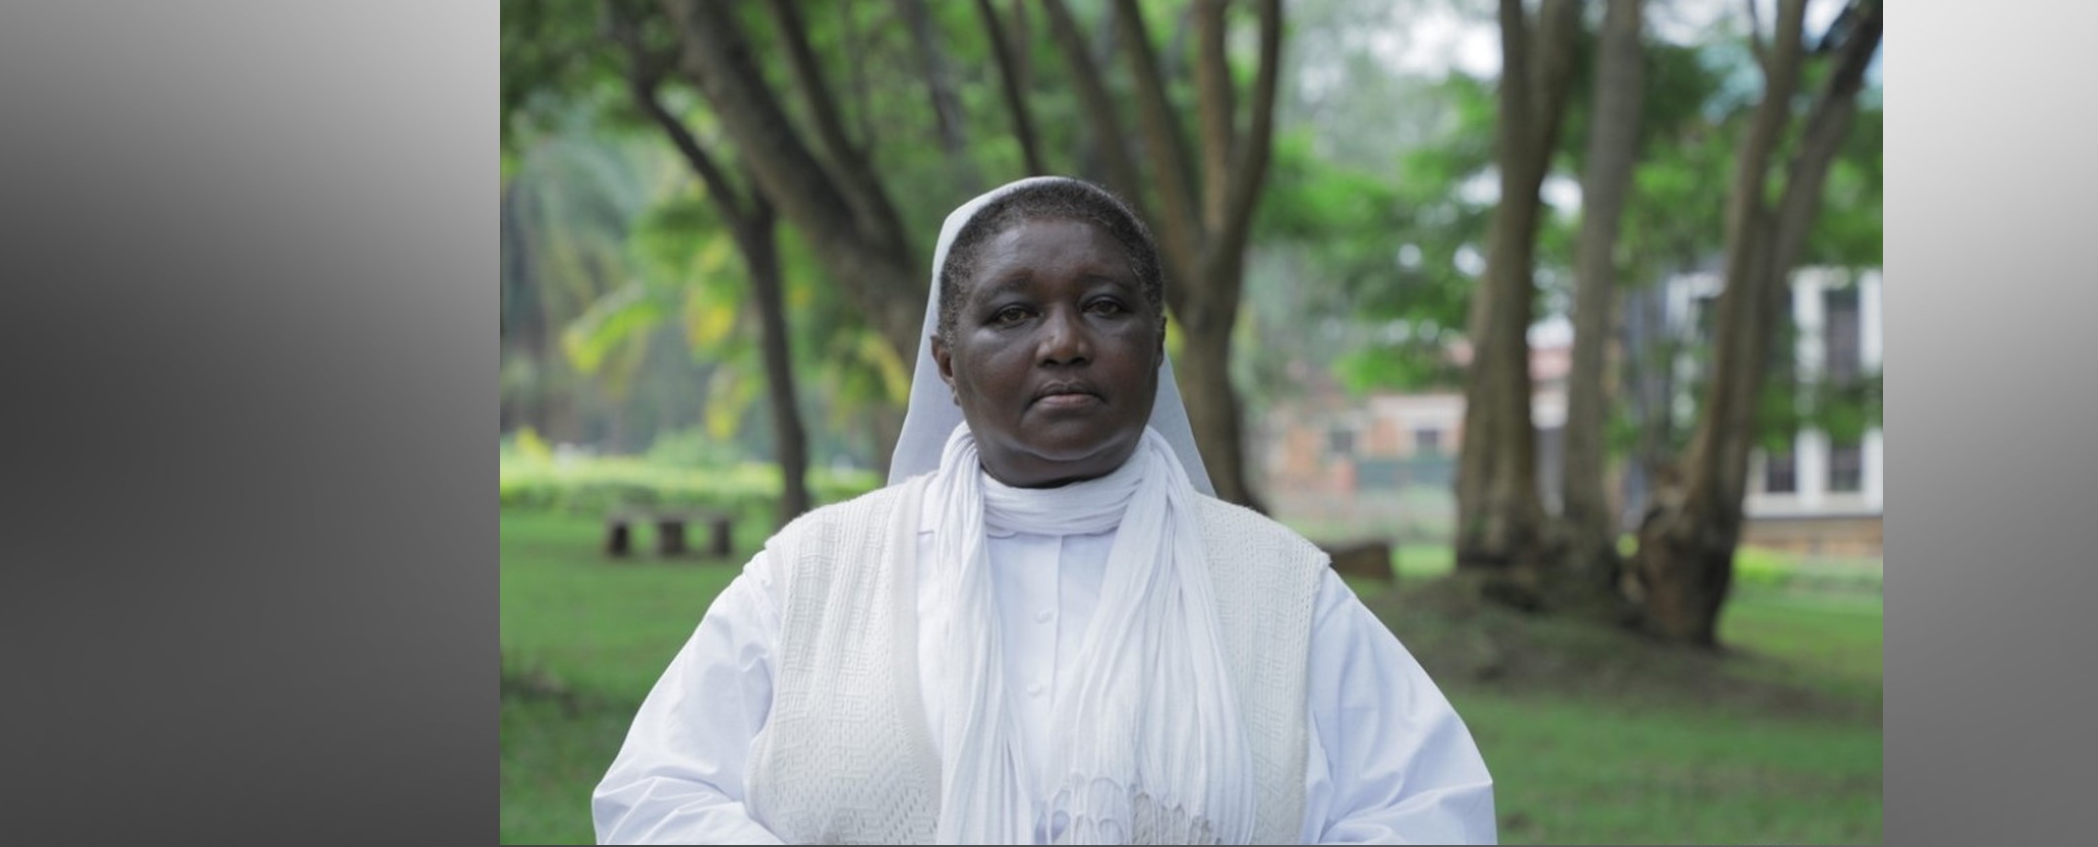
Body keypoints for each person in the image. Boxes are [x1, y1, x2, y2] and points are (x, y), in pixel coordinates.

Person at [591, 177, 1496, 844]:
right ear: (947, 361)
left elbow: (1428, 810)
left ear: (1156, 340)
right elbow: (656, 792)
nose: (1064, 343)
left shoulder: (1282, 592)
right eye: (1014, 314)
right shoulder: (814, 574)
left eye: (1105, 306)